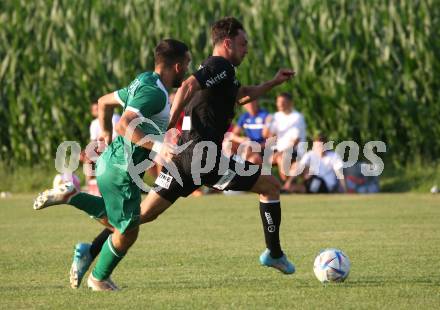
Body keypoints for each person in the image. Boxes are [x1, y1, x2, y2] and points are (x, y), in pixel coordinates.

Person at [36, 17, 296, 289]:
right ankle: (274, 254)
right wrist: (169, 126)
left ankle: (89, 251)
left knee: (138, 216)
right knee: (270, 186)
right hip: (202, 156)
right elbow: (186, 87)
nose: (247, 49)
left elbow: (240, 94)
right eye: (243, 43)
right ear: (227, 43)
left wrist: (272, 83)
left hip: (183, 156)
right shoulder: (218, 65)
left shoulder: (223, 74)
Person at [33, 39, 191, 291]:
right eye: (187, 63)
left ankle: (75, 207)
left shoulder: (144, 80)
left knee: (121, 223)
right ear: (178, 65)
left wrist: (104, 135)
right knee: (127, 231)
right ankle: (98, 278)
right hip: (123, 169)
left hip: (111, 162)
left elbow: (104, 101)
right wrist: (160, 148)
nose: (188, 69)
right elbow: (124, 124)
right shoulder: (155, 93)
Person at [262, 92, 306, 181]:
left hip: (295, 150)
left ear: (290, 103)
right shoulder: (276, 116)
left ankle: (285, 185)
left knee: (280, 158)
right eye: (278, 102)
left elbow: (295, 141)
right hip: (279, 150)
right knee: (257, 160)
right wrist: (267, 123)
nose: (280, 104)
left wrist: (281, 153)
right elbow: (266, 135)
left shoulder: (297, 117)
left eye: (283, 102)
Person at [85, 102, 121, 194]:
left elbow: (116, 137)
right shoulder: (94, 124)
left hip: (115, 147)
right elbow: (93, 142)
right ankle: (90, 187)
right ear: (93, 113)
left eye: (99, 108)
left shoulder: (114, 117)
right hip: (101, 148)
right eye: (95, 110)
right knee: (88, 159)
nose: (98, 111)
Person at [229, 99, 270, 164]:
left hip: (262, 147)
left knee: (250, 153)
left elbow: (271, 138)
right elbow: (233, 135)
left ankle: (240, 166)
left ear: (256, 102)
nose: (249, 105)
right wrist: (242, 140)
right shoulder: (244, 117)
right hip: (249, 145)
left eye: (251, 102)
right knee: (228, 144)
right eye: (247, 103)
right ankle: (237, 163)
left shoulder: (265, 115)